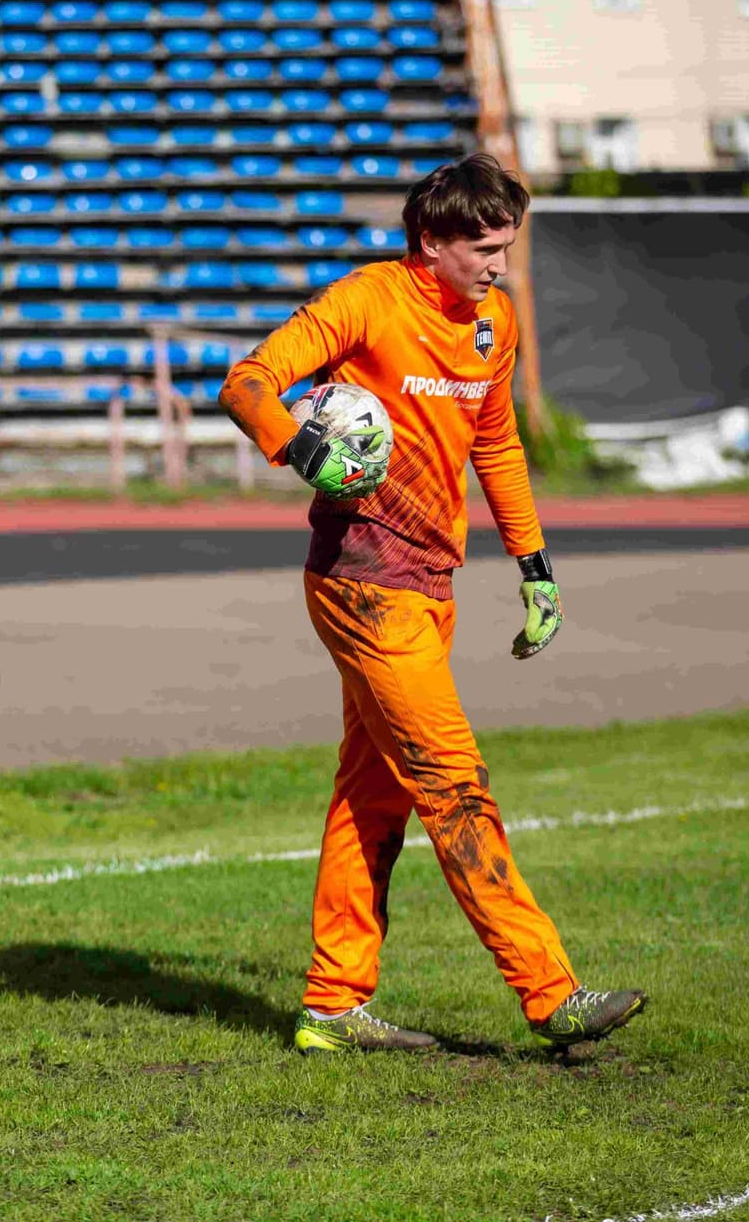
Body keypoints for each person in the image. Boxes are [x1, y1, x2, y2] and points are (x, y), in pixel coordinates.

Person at [217, 155, 645, 1054]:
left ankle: (331, 1008)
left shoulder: (495, 322)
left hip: (431, 584)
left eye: (507, 247)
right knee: (452, 783)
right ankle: (551, 995)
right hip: (361, 584)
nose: (499, 266)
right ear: (429, 242)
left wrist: (535, 566)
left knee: (371, 795)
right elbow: (248, 380)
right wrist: (299, 448)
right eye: (484, 249)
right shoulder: (368, 299)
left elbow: (498, 447)